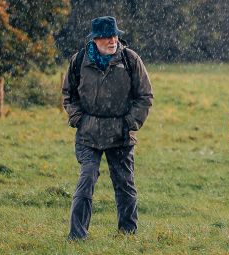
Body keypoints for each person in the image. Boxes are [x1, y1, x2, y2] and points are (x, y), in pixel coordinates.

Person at [62, 16, 153, 240]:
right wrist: (79, 119)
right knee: (86, 181)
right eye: (106, 36)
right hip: (88, 134)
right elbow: (68, 95)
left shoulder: (130, 60)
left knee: (125, 185)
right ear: (95, 39)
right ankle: (77, 236)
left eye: (114, 35)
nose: (112, 40)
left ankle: (127, 234)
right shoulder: (79, 60)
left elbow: (144, 96)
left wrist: (129, 124)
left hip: (120, 134)